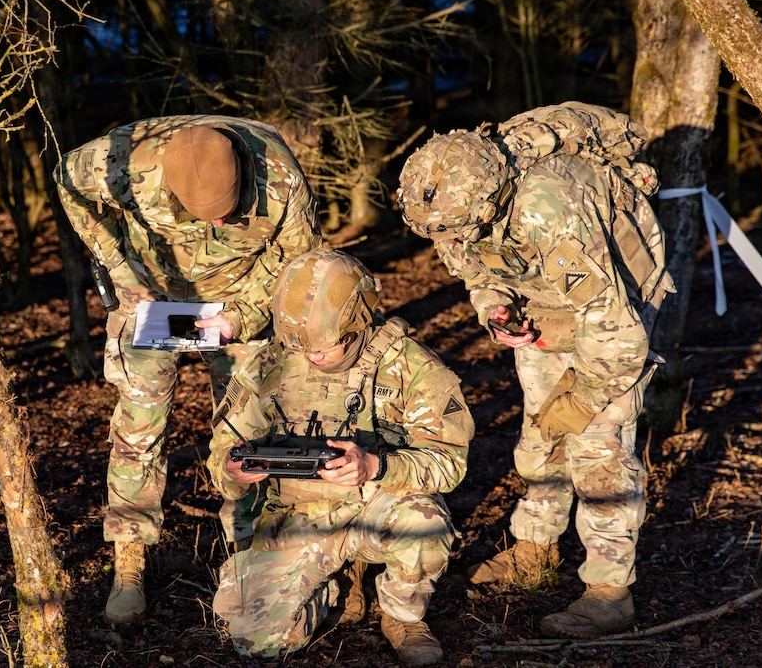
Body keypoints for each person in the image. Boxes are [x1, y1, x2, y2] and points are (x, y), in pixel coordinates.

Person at [396, 102, 674, 638]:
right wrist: (496, 308)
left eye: (456, 231)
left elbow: (616, 328)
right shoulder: (452, 210)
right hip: (547, 298)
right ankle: (535, 548)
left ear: (492, 203)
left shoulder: (549, 209)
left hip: (614, 306)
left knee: (598, 448)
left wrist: (584, 398)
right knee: (541, 432)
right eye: (440, 234)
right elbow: (476, 268)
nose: (448, 242)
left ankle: (610, 592)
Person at [55, 115, 321, 625]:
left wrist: (242, 316)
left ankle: (247, 548)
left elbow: (299, 266)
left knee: (249, 423)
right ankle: (129, 558)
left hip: (240, 297)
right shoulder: (126, 159)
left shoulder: (281, 175)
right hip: (151, 296)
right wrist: (117, 263)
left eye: (228, 212)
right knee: (139, 425)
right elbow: (66, 178)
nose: (216, 224)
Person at [207, 250, 474, 666]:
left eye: (324, 347)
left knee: (425, 523)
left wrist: (376, 466)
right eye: (301, 346)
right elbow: (222, 452)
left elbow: (449, 462)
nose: (312, 356)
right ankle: (336, 584)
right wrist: (233, 470)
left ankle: (401, 614)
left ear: (357, 322)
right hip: (299, 517)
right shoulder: (269, 364)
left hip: (376, 505)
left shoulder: (412, 366)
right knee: (256, 641)